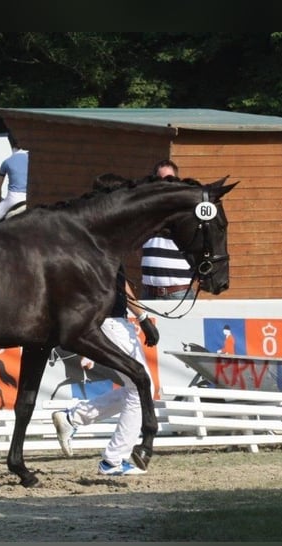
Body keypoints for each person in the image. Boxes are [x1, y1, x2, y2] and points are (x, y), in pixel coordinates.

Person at [51, 265, 159, 476]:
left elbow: (120, 282)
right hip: (111, 323)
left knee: (136, 389)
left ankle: (73, 418)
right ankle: (113, 460)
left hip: (114, 321)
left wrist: (143, 317)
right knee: (141, 389)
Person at [140, 159, 194, 300]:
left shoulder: (185, 210)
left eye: (170, 179)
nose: (166, 183)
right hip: (148, 293)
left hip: (178, 293)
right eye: (161, 179)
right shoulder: (145, 210)